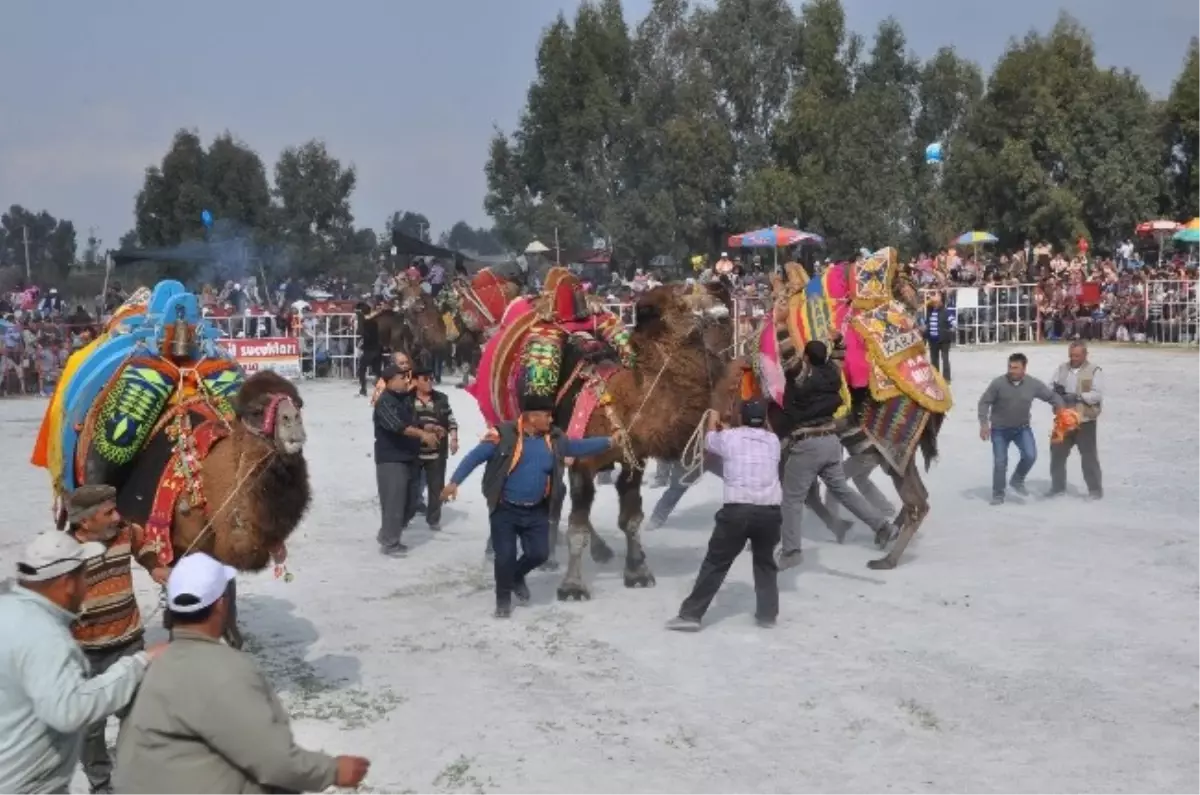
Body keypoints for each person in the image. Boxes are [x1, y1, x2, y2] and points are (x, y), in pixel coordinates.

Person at [114, 553, 370, 794]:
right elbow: (274, 761)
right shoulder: (227, 670)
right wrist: (333, 771)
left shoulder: (150, 664)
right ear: (221, 605)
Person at [0, 532, 161, 795]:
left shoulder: (8, 610)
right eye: (84, 576)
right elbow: (70, 710)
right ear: (68, 583)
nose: (87, 586)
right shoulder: (45, 635)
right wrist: (139, 664)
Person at [442, 394, 617, 618]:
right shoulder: (503, 435)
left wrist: (608, 441)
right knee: (504, 556)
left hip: (536, 510)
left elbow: (576, 447)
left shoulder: (553, 439)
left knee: (539, 553)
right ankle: (503, 599)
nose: (551, 420)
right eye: (547, 415)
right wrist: (454, 483)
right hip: (505, 509)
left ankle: (516, 575)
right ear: (532, 417)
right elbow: (474, 457)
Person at [65, 485, 169, 795]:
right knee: (89, 730)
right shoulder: (63, 553)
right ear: (85, 522)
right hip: (86, 656)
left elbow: (143, 543)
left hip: (129, 645)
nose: (118, 516)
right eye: (108, 512)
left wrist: (155, 567)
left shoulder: (124, 532)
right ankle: (100, 784)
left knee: (136, 718)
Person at [777, 341, 896, 570]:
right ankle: (882, 526)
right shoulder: (832, 372)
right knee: (842, 490)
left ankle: (791, 551)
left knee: (791, 499)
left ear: (807, 359)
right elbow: (840, 352)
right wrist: (838, 339)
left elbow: (789, 359)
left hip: (807, 444)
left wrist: (780, 326)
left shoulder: (804, 378)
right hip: (831, 442)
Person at [666, 401, 783, 632]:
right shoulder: (774, 442)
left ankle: (691, 615)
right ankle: (767, 614)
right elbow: (757, 435)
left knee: (716, 562)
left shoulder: (729, 438)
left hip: (737, 511)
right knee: (765, 563)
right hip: (769, 512)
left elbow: (708, 439)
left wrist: (714, 415)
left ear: (742, 417)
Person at [977, 352, 1064, 505]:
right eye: (1010, 367)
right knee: (1000, 462)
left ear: (1024, 368)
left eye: (1016, 368)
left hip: (1022, 428)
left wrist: (1061, 409)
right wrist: (984, 424)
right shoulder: (998, 383)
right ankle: (998, 494)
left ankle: (1017, 480)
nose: (1012, 371)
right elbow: (984, 402)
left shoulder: (1033, 384)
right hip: (999, 430)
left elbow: (1051, 397)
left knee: (1030, 455)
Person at [374, 364, 439, 557]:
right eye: (402, 378)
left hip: (409, 457)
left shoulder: (403, 400)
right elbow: (397, 426)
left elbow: (412, 421)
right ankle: (390, 542)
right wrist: (421, 435)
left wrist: (428, 427)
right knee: (394, 502)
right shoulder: (384, 402)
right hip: (391, 459)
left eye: (406, 377)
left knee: (410, 503)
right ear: (391, 380)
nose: (406, 381)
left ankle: (387, 533)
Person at [1048, 341, 1103, 499]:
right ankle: (1057, 488)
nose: (1074, 358)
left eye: (1077, 355)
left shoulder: (1094, 371)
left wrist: (1078, 396)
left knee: (1088, 456)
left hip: (1084, 420)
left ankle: (1095, 491)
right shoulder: (1061, 369)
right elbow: (1049, 387)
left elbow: (1097, 394)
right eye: (1071, 355)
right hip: (1063, 420)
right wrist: (1056, 392)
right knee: (1057, 453)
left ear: (1085, 355)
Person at [409, 363, 458, 530]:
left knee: (436, 487)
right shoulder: (407, 399)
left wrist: (454, 438)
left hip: (437, 451)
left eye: (432, 378)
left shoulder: (441, 398)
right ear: (415, 381)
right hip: (413, 451)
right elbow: (404, 423)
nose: (430, 382)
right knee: (411, 486)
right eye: (425, 379)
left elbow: (451, 419)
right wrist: (425, 427)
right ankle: (405, 517)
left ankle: (434, 519)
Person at [924, 291, 953, 382]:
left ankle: (946, 378)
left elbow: (953, 321)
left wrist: (953, 326)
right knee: (934, 359)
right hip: (932, 339)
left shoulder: (946, 311)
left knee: (945, 359)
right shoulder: (930, 311)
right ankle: (936, 377)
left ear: (941, 301)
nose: (934, 300)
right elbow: (928, 304)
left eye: (936, 295)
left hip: (944, 339)